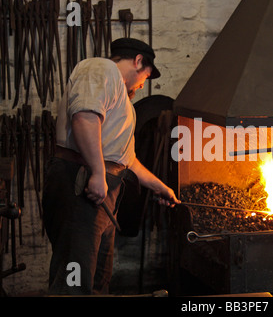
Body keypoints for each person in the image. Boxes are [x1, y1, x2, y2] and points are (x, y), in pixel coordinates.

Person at [42, 38, 180, 295]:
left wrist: (160, 187)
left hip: (102, 190)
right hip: (80, 182)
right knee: (75, 279)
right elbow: (84, 117)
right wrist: (96, 172)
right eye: (146, 77)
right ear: (139, 61)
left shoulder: (120, 96)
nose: (142, 85)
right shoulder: (101, 68)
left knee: (97, 280)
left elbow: (126, 159)